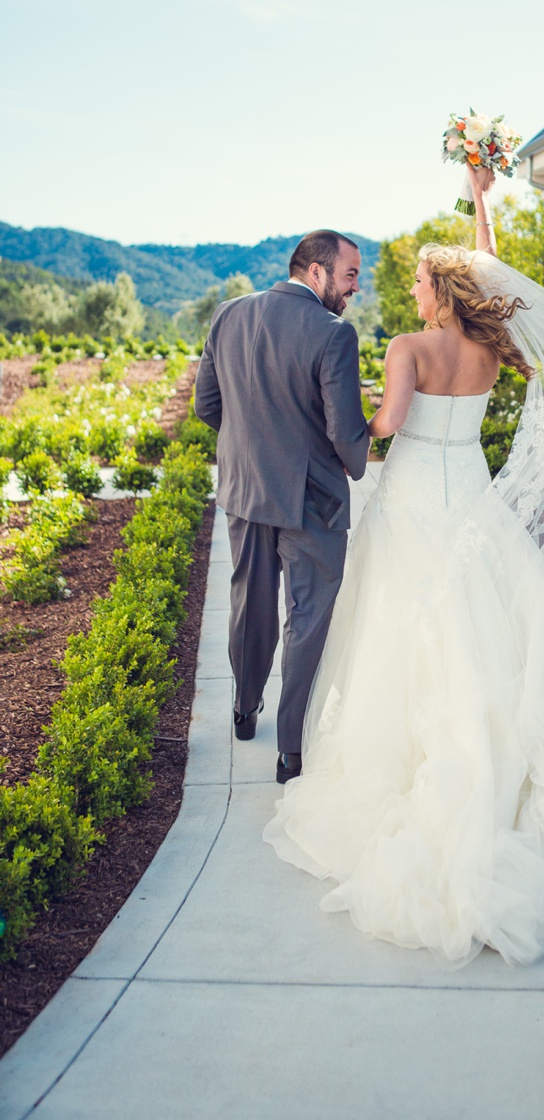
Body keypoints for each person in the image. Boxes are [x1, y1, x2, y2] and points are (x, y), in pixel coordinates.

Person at [263, 173, 544, 967]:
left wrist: (344, 410)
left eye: (419, 278)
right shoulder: (492, 347)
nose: (410, 285)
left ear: (442, 292)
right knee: (483, 631)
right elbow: (489, 267)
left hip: (410, 502)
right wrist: (481, 199)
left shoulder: (409, 348)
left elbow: (389, 425)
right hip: (472, 500)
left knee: (400, 638)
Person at [195, 230, 369, 784]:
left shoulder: (228, 314)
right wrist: (361, 457)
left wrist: (253, 447)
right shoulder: (334, 334)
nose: (355, 288)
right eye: (349, 276)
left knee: (249, 600)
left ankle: (245, 711)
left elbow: (207, 404)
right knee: (309, 616)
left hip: (244, 490)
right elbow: (344, 432)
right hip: (311, 500)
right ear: (316, 273)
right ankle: (291, 749)